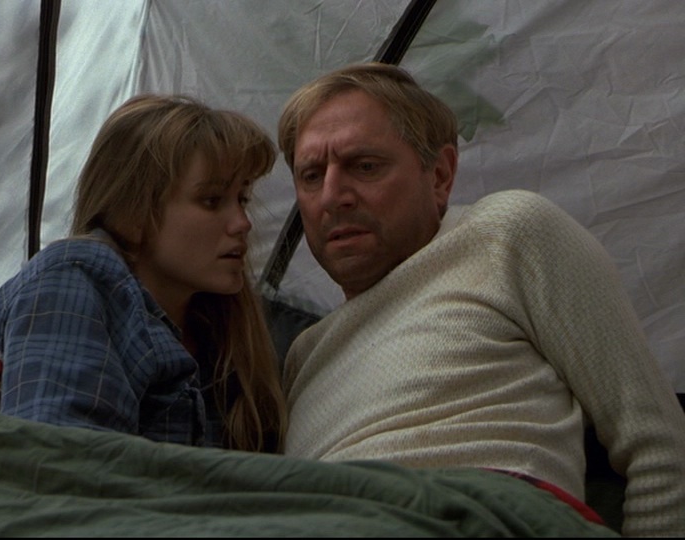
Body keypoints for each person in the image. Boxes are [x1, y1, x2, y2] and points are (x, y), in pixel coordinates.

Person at [277, 62, 685, 537]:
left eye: (364, 166)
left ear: (440, 175)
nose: (332, 196)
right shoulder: (302, 356)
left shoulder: (503, 235)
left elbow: (660, 448)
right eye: (310, 175)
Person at [0, 94, 287, 452]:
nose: (242, 223)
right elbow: (59, 461)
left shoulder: (226, 335)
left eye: (242, 199)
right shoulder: (75, 277)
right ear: (134, 210)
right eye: (212, 201)